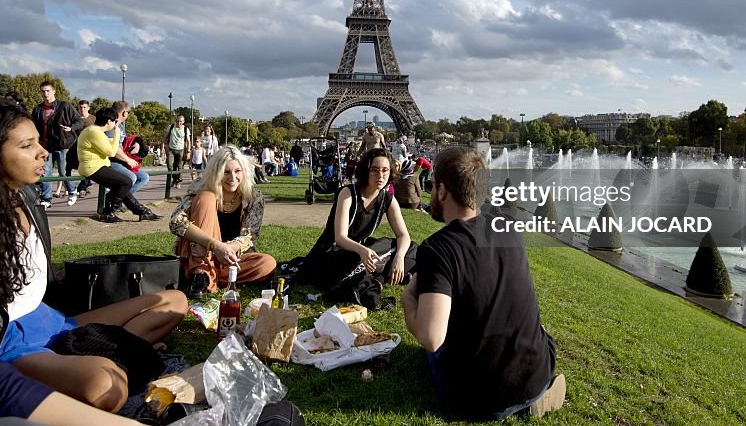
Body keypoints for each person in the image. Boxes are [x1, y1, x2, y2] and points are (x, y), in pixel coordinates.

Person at [0, 98, 186, 416]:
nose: (43, 152)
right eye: (28, 146)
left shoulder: (26, 198)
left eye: (39, 142)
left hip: (50, 319)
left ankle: (89, 358)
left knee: (174, 301)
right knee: (107, 387)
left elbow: (41, 283)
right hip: (4, 338)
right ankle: (65, 370)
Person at [402, 147, 565, 420]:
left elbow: (431, 338)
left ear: (442, 191)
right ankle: (533, 397)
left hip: (477, 398)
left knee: (436, 352)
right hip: (537, 371)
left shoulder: (437, 249)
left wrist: (409, 300)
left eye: (431, 185)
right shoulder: (508, 226)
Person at [299, 147, 415, 293]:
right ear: (366, 171)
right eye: (374, 170)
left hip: (361, 250)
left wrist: (399, 257)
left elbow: (403, 235)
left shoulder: (387, 199)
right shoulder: (347, 193)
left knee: (410, 249)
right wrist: (362, 250)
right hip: (335, 253)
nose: (380, 175)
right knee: (357, 261)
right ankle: (381, 277)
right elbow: (340, 238)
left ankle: (379, 275)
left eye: (385, 170)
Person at [169, 145, 277, 300]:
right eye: (226, 172)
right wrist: (214, 245)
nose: (232, 178)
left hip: (229, 256)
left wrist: (226, 250)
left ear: (244, 172)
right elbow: (176, 222)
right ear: (216, 173)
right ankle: (201, 273)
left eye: (237, 171)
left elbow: (249, 236)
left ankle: (204, 274)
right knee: (206, 197)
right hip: (200, 250)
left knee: (267, 264)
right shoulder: (201, 190)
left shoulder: (254, 198)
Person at [77, 107, 161, 223]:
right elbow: (111, 151)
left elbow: (109, 147)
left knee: (121, 185)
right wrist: (117, 134)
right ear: (108, 121)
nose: (115, 124)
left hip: (99, 165)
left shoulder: (96, 131)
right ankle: (110, 211)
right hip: (92, 167)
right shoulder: (94, 132)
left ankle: (140, 211)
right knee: (126, 182)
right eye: (115, 121)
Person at [31, 81, 82, 208]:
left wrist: (71, 128)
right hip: (45, 146)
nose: (45, 94)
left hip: (63, 144)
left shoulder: (65, 106)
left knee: (63, 171)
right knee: (45, 172)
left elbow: (79, 121)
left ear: (54, 91)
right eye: (43, 91)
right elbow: (33, 126)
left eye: (48, 90)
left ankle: (72, 190)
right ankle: (46, 198)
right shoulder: (38, 109)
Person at [164, 114, 191, 188]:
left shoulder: (186, 129)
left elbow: (188, 141)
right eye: (177, 121)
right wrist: (164, 146)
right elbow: (165, 137)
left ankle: (178, 181)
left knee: (179, 166)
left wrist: (188, 152)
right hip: (171, 149)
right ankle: (174, 179)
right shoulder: (171, 127)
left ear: (183, 122)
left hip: (181, 149)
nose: (179, 123)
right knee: (170, 166)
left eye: (181, 121)